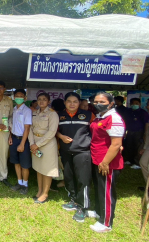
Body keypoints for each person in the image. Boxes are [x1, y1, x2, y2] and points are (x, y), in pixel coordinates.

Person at [56, 92, 95, 221]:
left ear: (79, 103)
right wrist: (61, 136)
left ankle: (83, 207)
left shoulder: (88, 115)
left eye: (75, 101)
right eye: (69, 101)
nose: (72, 104)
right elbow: (54, 130)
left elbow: (97, 132)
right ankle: (73, 200)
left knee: (82, 179)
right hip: (66, 151)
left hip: (82, 152)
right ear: (65, 102)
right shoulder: (59, 115)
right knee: (68, 176)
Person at [89, 92, 125, 233]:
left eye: (102, 102)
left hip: (107, 162)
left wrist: (105, 162)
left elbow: (116, 144)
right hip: (98, 159)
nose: (98, 104)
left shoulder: (114, 118)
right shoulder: (102, 116)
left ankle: (106, 223)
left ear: (111, 103)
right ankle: (99, 211)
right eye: (96, 101)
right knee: (100, 188)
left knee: (107, 192)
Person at [28, 93, 59, 204]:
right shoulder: (34, 113)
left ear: (49, 102)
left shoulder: (52, 114)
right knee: (38, 168)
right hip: (35, 144)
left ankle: (45, 193)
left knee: (47, 170)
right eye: (39, 99)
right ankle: (40, 190)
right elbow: (30, 129)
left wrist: (37, 145)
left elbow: (51, 132)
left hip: (47, 144)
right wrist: (32, 144)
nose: (41, 101)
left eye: (44, 99)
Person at [8, 89, 32, 194]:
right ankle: (19, 182)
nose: (18, 98)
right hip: (14, 139)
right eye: (16, 96)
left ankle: (25, 185)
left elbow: (27, 128)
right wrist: (10, 137)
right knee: (16, 162)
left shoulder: (27, 110)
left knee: (24, 165)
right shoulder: (13, 109)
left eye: (21, 96)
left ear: (25, 98)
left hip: (23, 140)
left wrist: (22, 143)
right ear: (14, 97)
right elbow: (12, 125)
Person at [123, 97, 149, 168]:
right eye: (133, 103)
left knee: (137, 147)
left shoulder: (143, 113)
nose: (134, 105)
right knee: (129, 146)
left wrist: (144, 134)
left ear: (140, 104)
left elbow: (146, 124)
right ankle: (129, 160)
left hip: (139, 132)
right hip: (130, 131)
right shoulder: (128, 111)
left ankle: (137, 163)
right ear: (130, 104)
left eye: (136, 103)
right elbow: (125, 122)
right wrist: (124, 131)